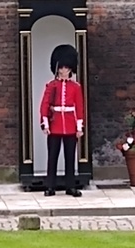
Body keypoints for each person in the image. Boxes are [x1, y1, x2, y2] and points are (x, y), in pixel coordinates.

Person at [39, 44, 84, 197]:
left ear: (71, 69)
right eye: (61, 68)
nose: (64, 71)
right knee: (52, 157)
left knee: (70, 158)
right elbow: (44, 104)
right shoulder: (51, 85)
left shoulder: (76, 87)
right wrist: (45, 122)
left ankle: (70, 186)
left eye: (67, 68)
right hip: (55, 125)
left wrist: (79, 127)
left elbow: (79, 107)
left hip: (70, 125)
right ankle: (50, 186)